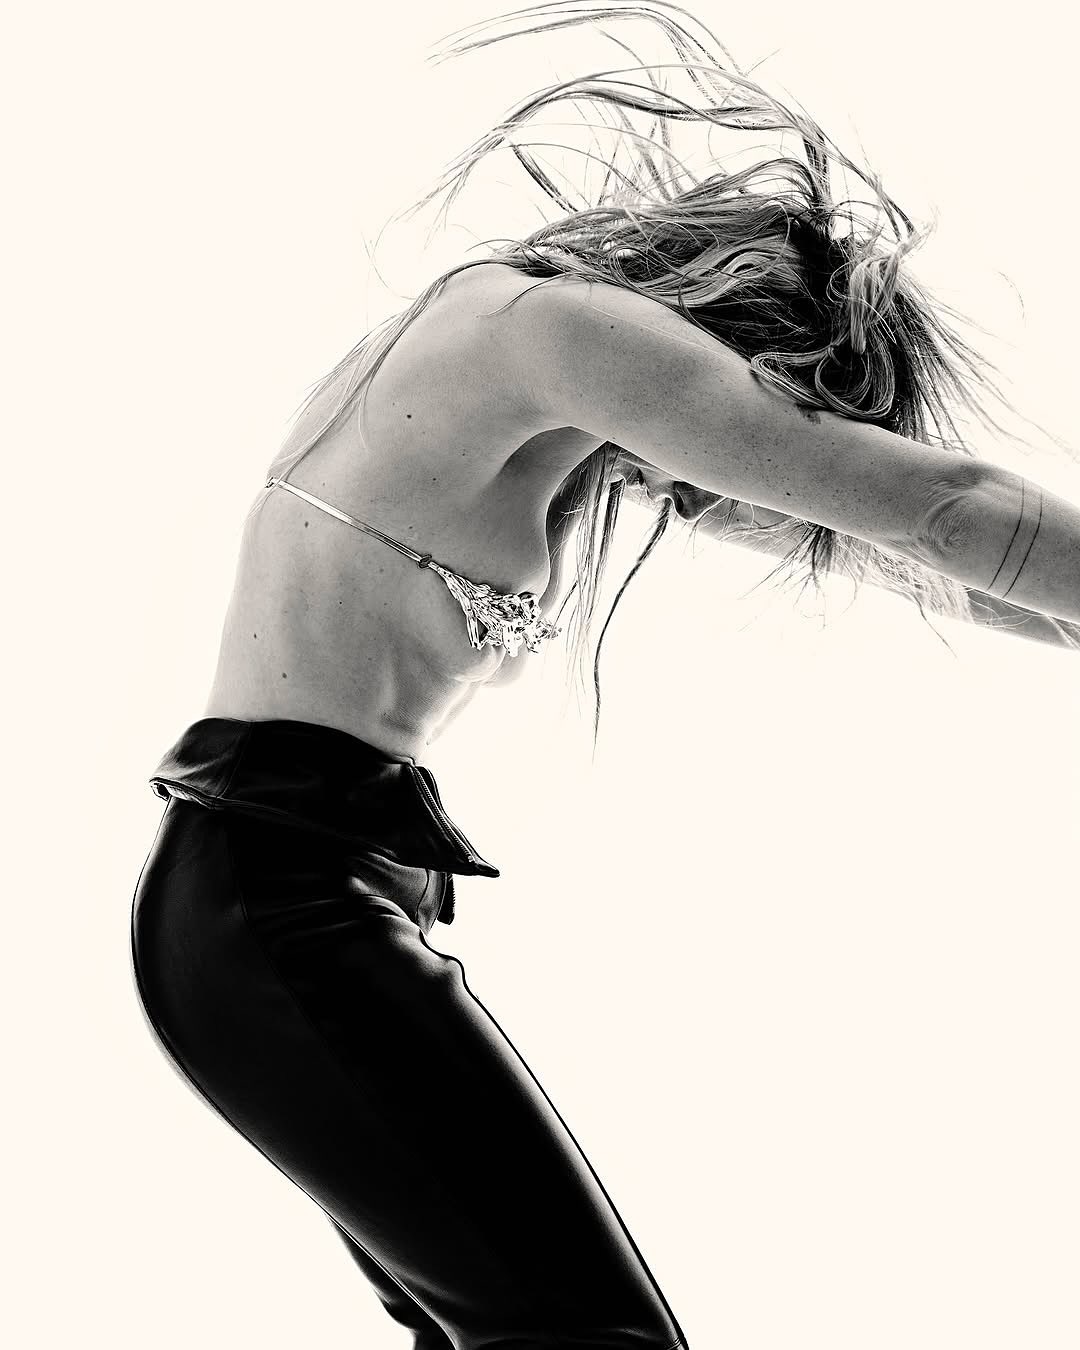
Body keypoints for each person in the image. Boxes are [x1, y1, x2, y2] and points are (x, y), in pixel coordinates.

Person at [129, 4, 1080, 1348]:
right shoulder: (549, 331)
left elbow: (906, 551)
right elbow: (944, 504)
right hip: (272, 905)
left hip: (282, 900)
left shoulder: (525, 387)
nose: (741, 454)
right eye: (776, 407)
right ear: (730, 333)